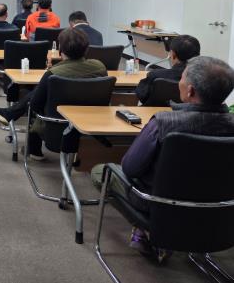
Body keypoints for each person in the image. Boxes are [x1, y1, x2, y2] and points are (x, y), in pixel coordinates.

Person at [92, 56, 234, 261]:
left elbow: (130, 168)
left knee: (102, 171)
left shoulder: (164, 123)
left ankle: (147, 230)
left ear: (190, 90)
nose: (179, 81)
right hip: (219, 205)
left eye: (182, 77)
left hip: (159, 203)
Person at [0, 28, 106, 159]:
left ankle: (33, 150)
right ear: (86, 49)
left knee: (34, 100)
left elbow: (35, 105)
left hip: (56, 125)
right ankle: (9, 113)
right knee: (36, 95)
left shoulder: (53, 73)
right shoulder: (99, 67)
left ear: (61, 49)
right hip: (91, 122)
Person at [135, 34, 200, 104]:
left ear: (173, 54)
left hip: (156, 110)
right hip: (189, 110)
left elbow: (141, 96)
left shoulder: (155, 75)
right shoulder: (204, 78)